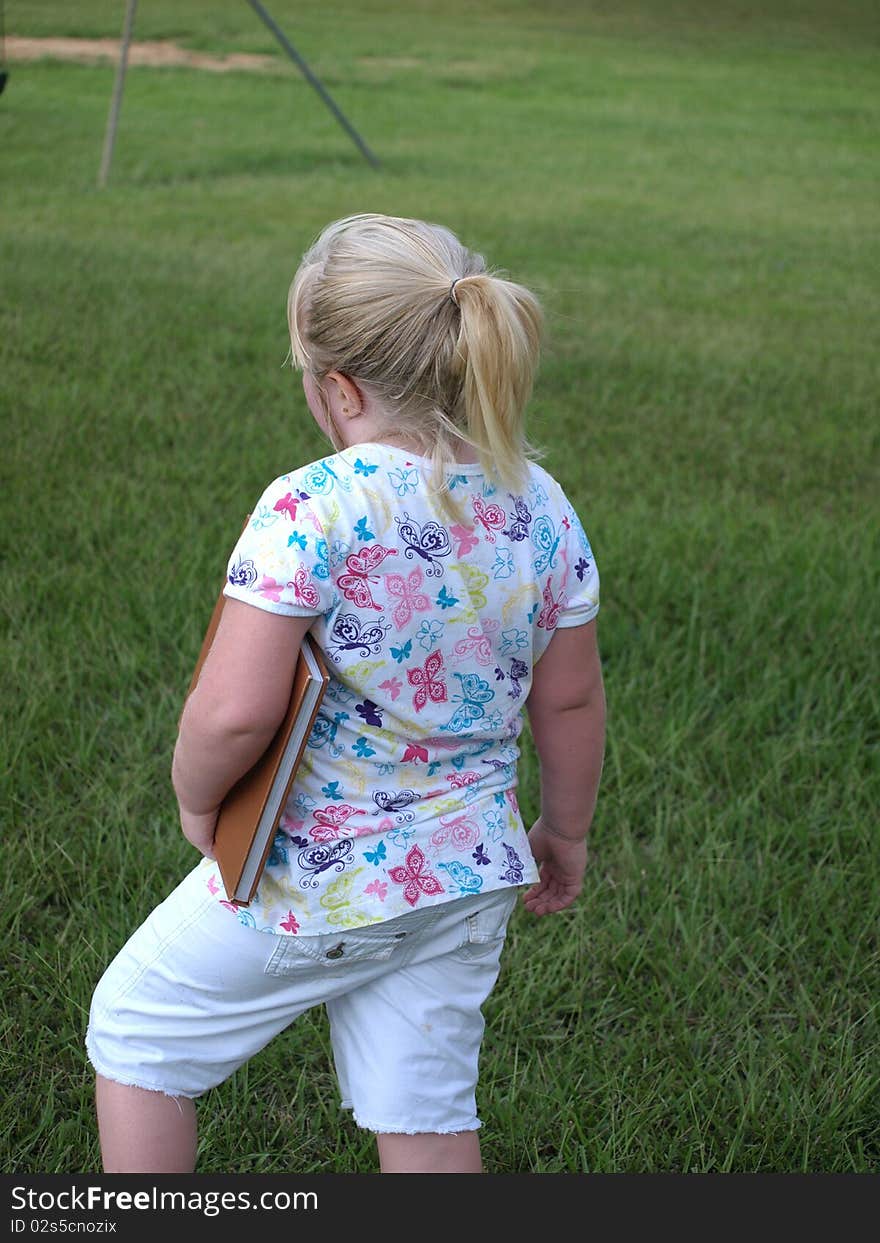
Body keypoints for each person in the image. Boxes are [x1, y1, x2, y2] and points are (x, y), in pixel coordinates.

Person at [86, 213, 606, 1174]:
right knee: (425, 1110)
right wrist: (563, 832)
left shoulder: (312, 504)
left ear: (337, 386)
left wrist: (200, 799)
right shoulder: (541, 501)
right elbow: (568, 702)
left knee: (139, 1035)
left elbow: (235, 709)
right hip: (467, 878)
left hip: (314, 875)